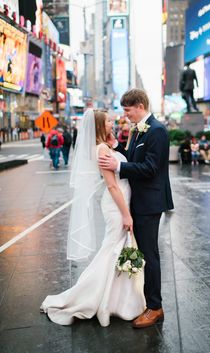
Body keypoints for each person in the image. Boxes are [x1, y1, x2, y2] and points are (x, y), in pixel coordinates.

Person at [40, 109, 145, 326]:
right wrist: (126, 214)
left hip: (120, 201)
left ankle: (117, 300)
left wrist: (114, 142)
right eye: (108, 121)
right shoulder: (101, 150)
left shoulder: (104, 146)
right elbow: (112, 185)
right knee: (110, 250)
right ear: (99, 125)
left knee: (117, 250)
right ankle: (90, 296)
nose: (112, 122)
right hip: (117, 205)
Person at [98, 89, 174, 328]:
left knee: (149, 254)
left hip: (150, 202)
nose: (125, 114)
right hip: (139, 200)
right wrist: (117, 148)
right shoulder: (137, 129)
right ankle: (143, 300)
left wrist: (117, 167)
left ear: (139, 105)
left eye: (128, 110)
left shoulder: (157, 131)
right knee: (142, 251)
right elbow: (133, 158)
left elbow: (150, 167)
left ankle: (155, 307)